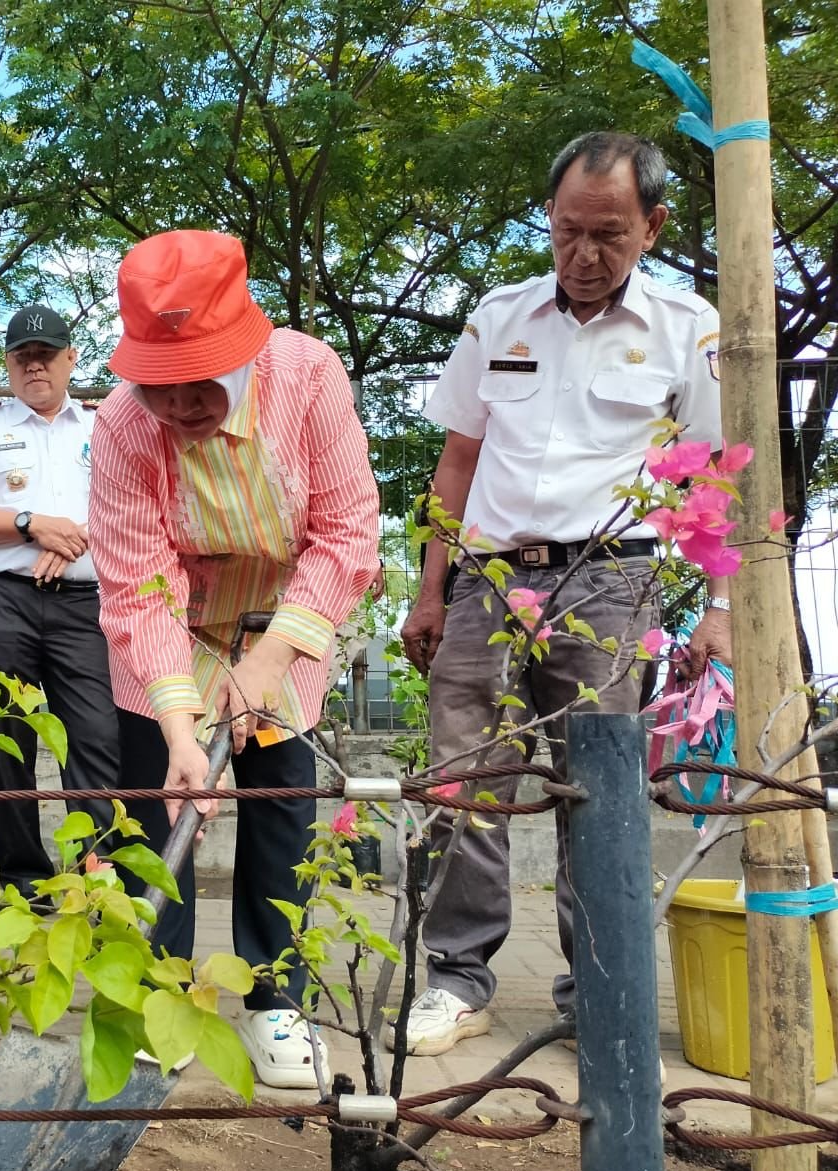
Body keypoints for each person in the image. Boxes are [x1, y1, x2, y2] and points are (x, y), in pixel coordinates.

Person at [393, 131, 728, 1056]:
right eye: (568, 231)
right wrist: (432, 589)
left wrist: (723, 610)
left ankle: (601, 988)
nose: (584, 255)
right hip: (490, 581)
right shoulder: (498, 317)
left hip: (611, 582)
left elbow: (713, 485)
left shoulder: (685, 330)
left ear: (652, 227)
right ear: (549, 218)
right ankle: (459, 978)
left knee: (598, 784)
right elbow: (456, 460)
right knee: (467, 779)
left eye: (609, 235)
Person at [90, 230, 380, 1088]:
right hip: (173, 623)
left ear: (245, 347)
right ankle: (160, 996)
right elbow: (140, 585)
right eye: (159, 385)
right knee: (161, 807)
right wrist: (181, 727)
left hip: (288, 615)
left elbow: (346, 530)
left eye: (198, 382)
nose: (176, 406)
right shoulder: (120, 425)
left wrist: (269, 663)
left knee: (279, 810)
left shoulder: (308, 377)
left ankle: (274, 1001)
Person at [0, 305, 119, 895]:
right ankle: (22, 882)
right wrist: (32, 524)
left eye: (45, 355)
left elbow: (132, 503)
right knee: (8, 746)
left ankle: (92, 880)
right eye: (22, 356)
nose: (34, 366)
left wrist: (73, 539)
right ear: (9, 364)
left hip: (84, 604)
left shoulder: (106, 425)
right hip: (4, 604)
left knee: (95, 741)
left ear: (71, 358)